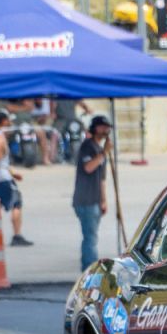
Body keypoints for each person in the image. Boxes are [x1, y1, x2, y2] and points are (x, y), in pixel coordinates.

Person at [0, 109, 32, 246]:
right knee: (16, 203)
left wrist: (11, 172)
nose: (11, 123)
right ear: (4, 121)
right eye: (9, 120)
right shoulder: (1, 138)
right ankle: (17, 236)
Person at [74, 116, 112, 270]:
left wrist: (103, 200)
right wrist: (104, 153)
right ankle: (89, 269)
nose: (105, 130)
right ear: (95, 128)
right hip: (85, 200)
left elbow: (102, 179)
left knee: (92, 237)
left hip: (95, 200)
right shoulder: (88, 147)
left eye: (107, 127)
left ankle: (90, 267)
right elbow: (88, 167)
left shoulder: (99, 149)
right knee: (90, 238)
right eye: (102, 127)